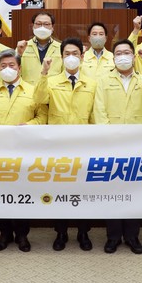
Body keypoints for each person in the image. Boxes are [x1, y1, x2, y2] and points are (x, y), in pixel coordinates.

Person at [0, 49, 47, 252]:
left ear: (19, 68)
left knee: (22, 194)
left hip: (24, 151)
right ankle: (4, 234)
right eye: (3, 66)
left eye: (11, 65)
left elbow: (43, 117)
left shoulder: (33, 90)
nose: (7, 69)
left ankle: (22, 235)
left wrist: (29, 125)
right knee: (1, 194)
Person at [93, 40, 142, 254]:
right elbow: (99, 111)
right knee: (112, 192)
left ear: (133, 56)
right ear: (113, 58)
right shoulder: (104, 80)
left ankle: (132, 236)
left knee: (133, 192)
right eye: (119, 53)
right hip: (110, 144)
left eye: (127, 52)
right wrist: (109, 137)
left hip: (137, 143)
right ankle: (113, 237)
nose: (123, 56)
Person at [34, 37, 97, 251]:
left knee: (83, 191)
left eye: (75, 54)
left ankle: (83, 232)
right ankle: (61, 232)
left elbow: (94, 115)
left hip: (84, 145)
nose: (71, 57)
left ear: (82, 56)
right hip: (57, 146)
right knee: (59, 191)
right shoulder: (51, 81)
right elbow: (39, 99)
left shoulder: (91, 83)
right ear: (61, 57)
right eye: (67, 54)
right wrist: (44, 73)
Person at [15, 12, 63, 85]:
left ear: (52, 27)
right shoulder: (22, 47)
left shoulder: (61, 48)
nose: (42, 27)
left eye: (46, 24)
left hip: (53, 90)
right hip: (29, 90)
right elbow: (15, 71)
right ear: (33, 27)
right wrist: (19, 54)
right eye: (38, 24)